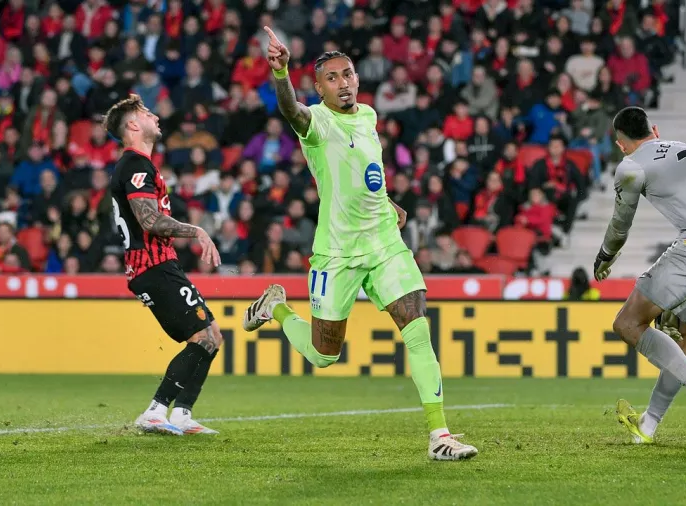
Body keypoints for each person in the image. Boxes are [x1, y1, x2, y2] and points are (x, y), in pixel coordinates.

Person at [242, 27, 478, 461]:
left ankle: (440, 437)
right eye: (332, 78)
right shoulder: (317, 122)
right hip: (337, 253)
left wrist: (388, 201)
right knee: (323, 354)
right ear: (320, 87)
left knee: (419, 333)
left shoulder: (368, 116)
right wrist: (280, 73)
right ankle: (274, 306)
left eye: (348, 74)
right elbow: (291, 110)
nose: (344, 82)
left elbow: (366, 168)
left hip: (385, 243)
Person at [593, 107, 686, 446]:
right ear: (655, 129)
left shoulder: (631, 166)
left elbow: (621, 225)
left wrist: (606, 255)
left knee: (628, 324)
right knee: (681, 337)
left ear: (621, 145)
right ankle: (648, 426)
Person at [103, 94, 223, 436]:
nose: (154, 115)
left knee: (212, 336)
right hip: (152, 268)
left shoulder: (139, 165)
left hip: (157, 267)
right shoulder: (135, 164)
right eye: (145, 112)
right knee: (202, 337)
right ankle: (155, 411)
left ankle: (182, 413)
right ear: (132, 125)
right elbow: (149, 219)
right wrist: (197, 230)